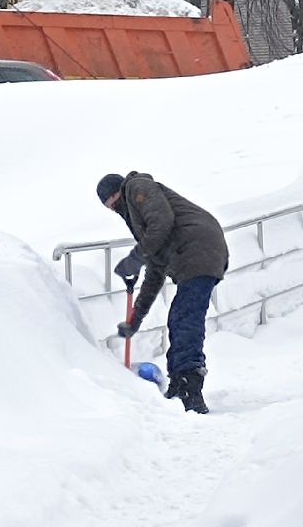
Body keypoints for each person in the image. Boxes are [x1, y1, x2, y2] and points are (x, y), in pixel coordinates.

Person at [96, 172, 229, 414]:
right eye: (108, 206)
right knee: (178, 319)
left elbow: (162, 221)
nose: (113, 207)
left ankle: (190, 390)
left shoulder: (137, 186)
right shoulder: (142, 225)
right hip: (194, 255)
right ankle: (180, 384)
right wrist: (134, 320)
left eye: (112, 200)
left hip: (199, 249)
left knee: (185, 320)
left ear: (118, 190)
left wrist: (135, 258)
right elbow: (155, 273)